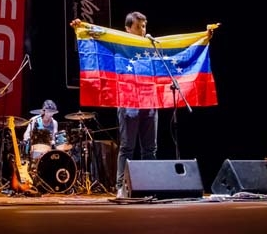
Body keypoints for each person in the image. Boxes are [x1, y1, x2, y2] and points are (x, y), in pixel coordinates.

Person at [70, 12, 214, 198]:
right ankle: (121, 186)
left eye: (144, 26)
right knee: (127, 147)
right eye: (138, 26)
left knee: (150, 148)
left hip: (149, 101)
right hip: (128, 101)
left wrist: (203, 37)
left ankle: (150, 183)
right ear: (128, 28)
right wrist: (80, 26)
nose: (142, 30)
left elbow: (179, 49)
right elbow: (97, 37)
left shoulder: (151, 45)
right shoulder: (119, 44)